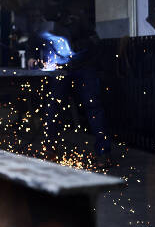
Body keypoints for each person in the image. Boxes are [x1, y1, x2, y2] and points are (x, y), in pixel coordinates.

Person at [28, 9, 112, 167]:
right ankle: (50, 150)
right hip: (60, 69)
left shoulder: (78, 17)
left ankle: (103, 152)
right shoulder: (41, 22)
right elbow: (33, 41)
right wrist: (32, 56)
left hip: (85, 67)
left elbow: (94, 40)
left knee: (93, 106)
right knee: (53, 106)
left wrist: (73, 49)